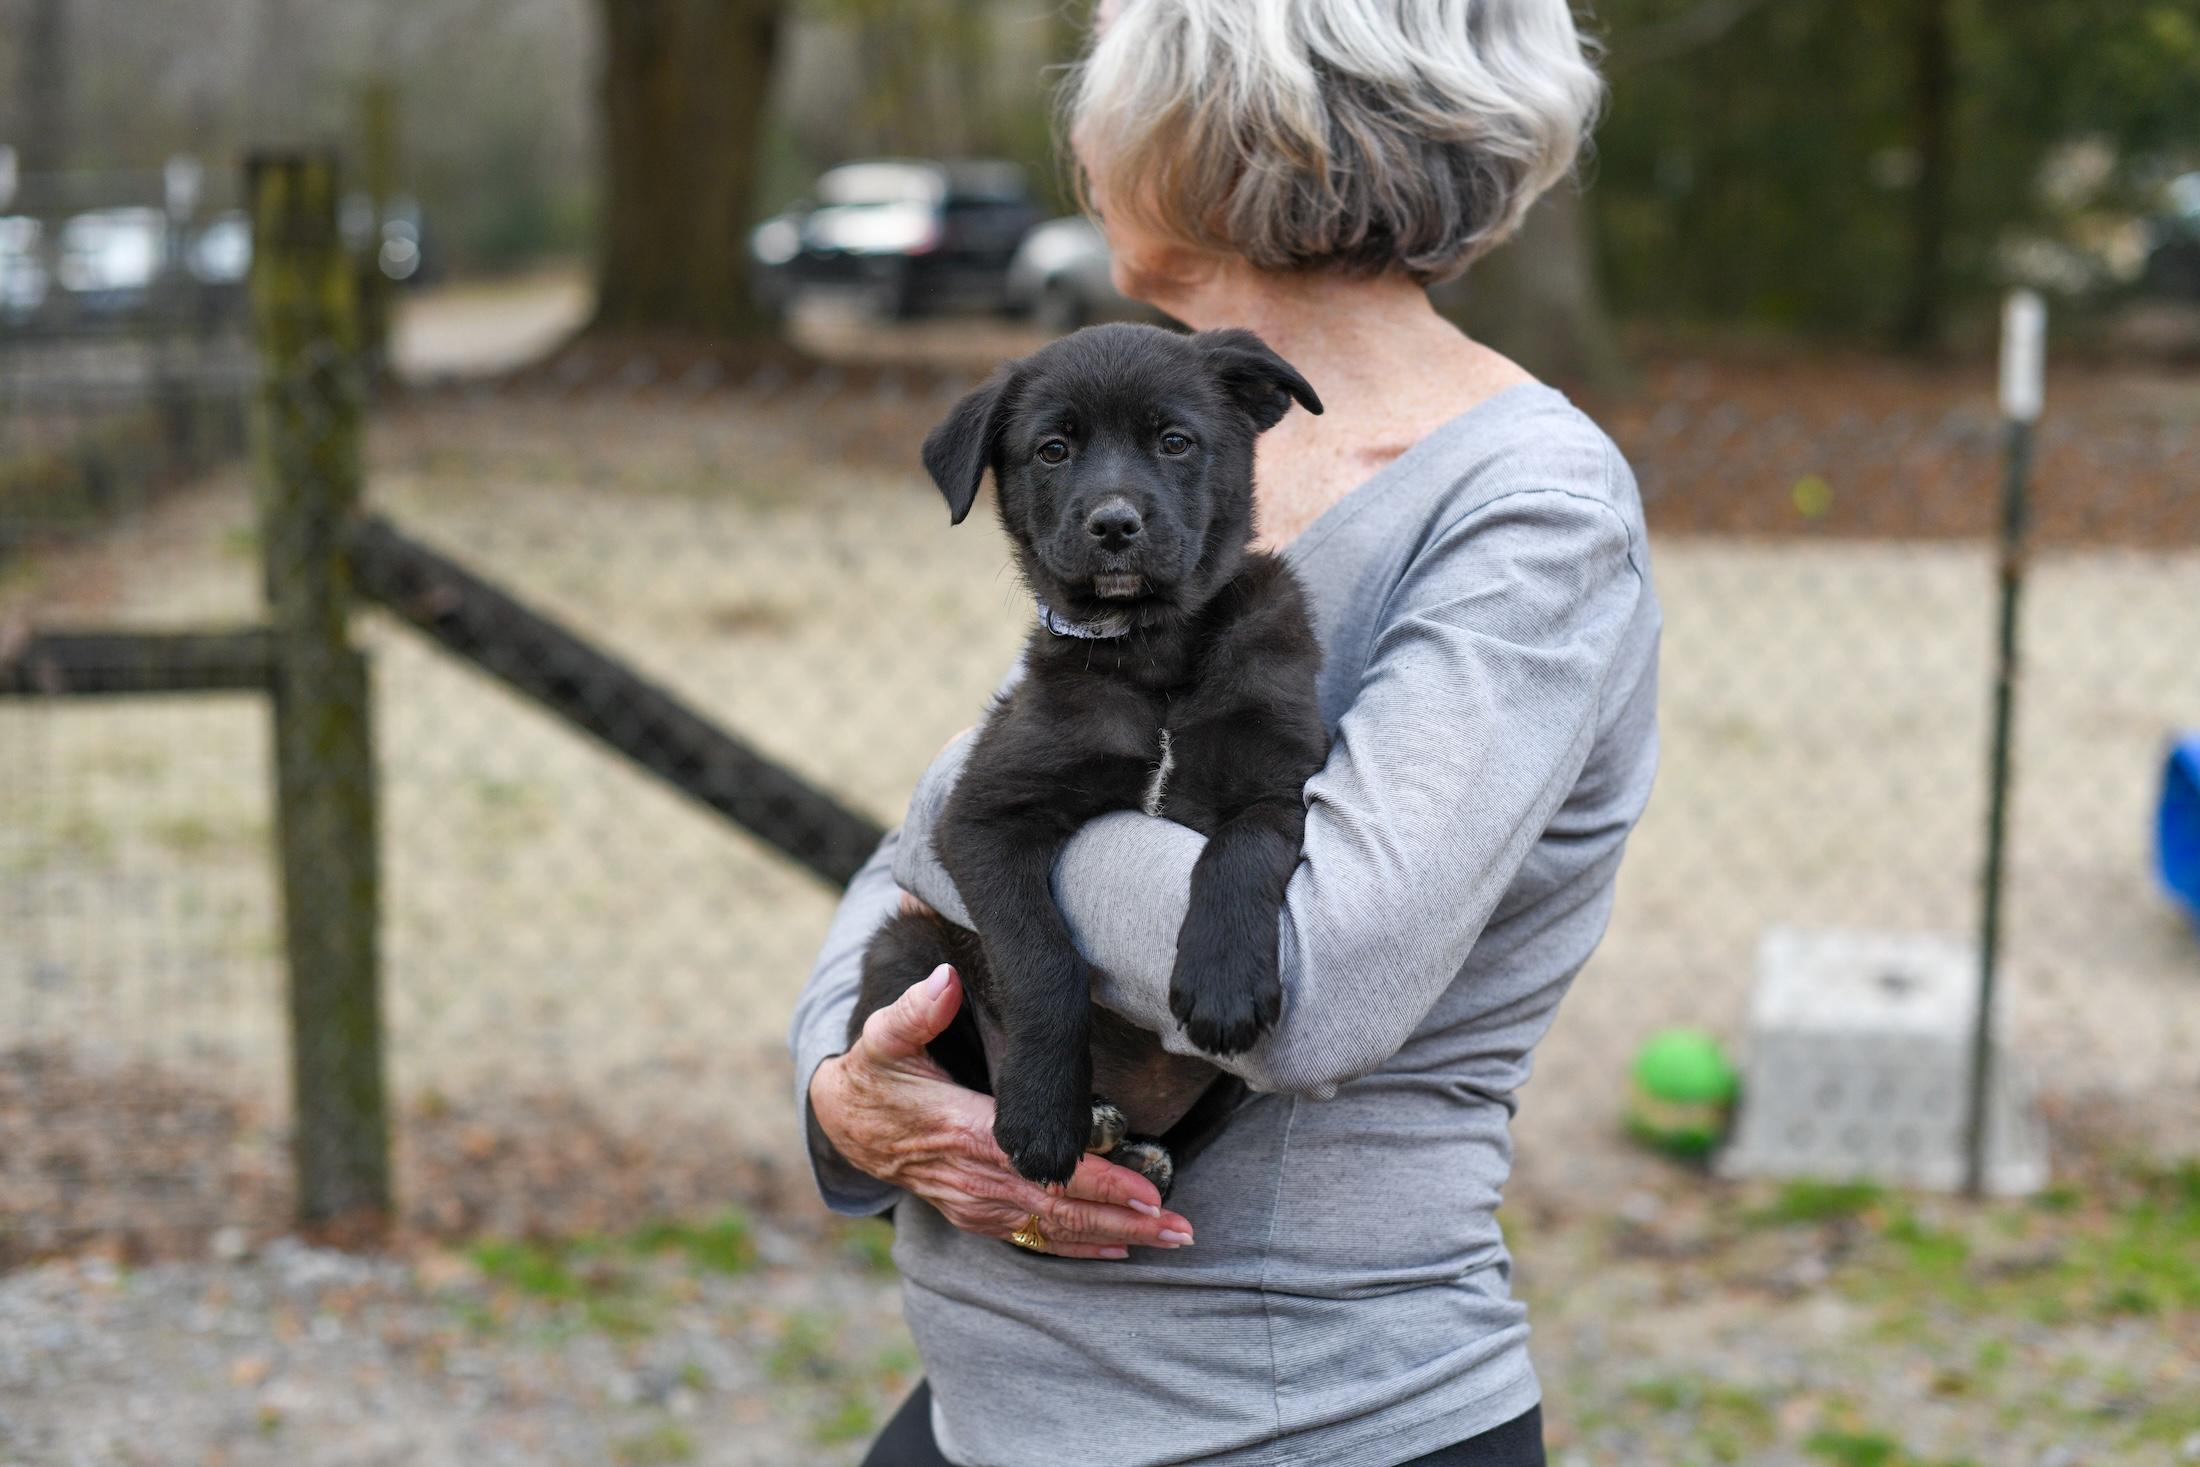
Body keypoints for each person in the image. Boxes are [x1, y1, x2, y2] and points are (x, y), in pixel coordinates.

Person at [790, 2, 1657, 1462]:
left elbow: (1320, 979)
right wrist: (841, 1086)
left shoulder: (1526, 513)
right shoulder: (1131, 417)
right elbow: (918, 864)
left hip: (1294, 1416)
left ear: (1226, 124)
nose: (1078, 143)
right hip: (993, 1403)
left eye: (1101, 99)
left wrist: (974, 802)